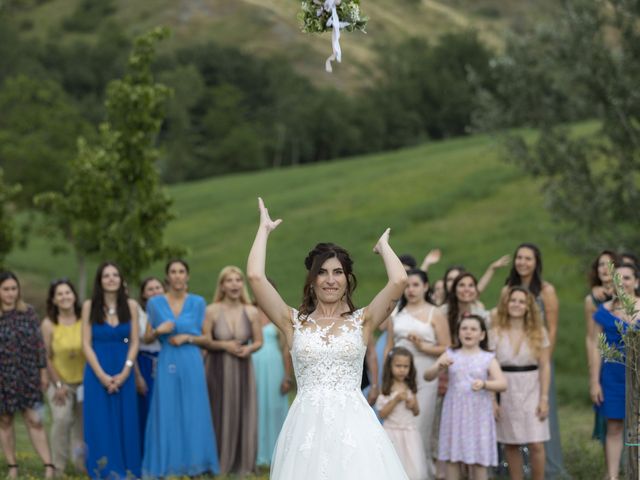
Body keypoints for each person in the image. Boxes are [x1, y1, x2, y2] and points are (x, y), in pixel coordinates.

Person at [247, 198, 409, 479]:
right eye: (321, 272)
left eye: (337, 272)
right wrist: (263, 230)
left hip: (354, 429)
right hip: (305, 430)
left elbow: (399, 282)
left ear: (348, 279)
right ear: (312, 280)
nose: (330, 280)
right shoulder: (293, 323)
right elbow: (255, 276)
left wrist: (384, 248)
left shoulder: (364, 320)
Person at [142, 259, 219, 478]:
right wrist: (158, 330)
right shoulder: (155, 303)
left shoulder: (198, 302)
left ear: (187, 276)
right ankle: (169, 464)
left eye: (181, 271)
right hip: (167, 359)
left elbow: (207, 338)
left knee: (194, 410)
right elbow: (145, 337)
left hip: (191, 359)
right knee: (167, 409)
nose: (177, 275)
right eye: (173, 272)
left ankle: (196, 464)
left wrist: (188, 337)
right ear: (167, 277)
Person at [503, 243, 565, 479]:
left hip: (537, 361)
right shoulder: (508, 288)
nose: (522, 262)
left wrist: (544, 361)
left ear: (536, 262)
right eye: (519, 257)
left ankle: (546, 467)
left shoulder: (546, 290)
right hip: (511, 363)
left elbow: (553, 326)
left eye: (528, 258)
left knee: (539, 417)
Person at [384, 268, 451, 476]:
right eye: (408, 286)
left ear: (425, 286)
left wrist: (424, 347)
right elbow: (390, 345)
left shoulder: (435, 313)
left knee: (419, 426)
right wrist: (385, 374)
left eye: (415, 285)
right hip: (397, 374)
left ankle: (421, 473)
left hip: (424, 373)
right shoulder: (398, 314)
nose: (411, 290)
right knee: (396, 426)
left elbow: (448, 347)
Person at [424, 314, 507, 480]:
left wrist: (485, 384)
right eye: (464, 328)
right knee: (453, 459)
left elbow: (502, 384)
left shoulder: (487, 357)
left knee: (478, 460)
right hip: (455, 411)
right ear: (458, 332)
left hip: (479, 413)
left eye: (473, 329)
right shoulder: (450, 354)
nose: (468, 332)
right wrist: (439, 366)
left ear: (482, 335)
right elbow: (427, 376)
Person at [82, 262, 140, 479]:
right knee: (100, 421)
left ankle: (128, 469)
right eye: (106, 275)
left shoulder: (131, 306)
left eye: (115, 274)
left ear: (121, 279)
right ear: (99, 280)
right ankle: (102, 469)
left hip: (123, 369)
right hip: (97, 370)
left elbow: (134, 341)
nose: (111, 279)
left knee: (126, 420)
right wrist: (102, 376)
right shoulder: (89, 306)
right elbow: (86, 344)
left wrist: (126, 372)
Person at [204, 266, 263, 475]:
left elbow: (258, 341)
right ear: (222, 285)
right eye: (229, 280)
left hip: (243, 367)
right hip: (216, 368)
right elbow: (205, 341)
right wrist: (224, 346)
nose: (234, 284)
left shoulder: (251, 311)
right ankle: (218, 461)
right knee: (217, 411)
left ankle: (243, 464)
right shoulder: (211, 310)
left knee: (243, 410)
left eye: (238, 280)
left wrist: (248, 348)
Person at [490, 287, 550, 480]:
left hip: (531, 387)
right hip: (505, 388)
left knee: (536, 442)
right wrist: (493, 400)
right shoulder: (495, 332)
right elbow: (488, 367)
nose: (516, 304)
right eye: (513, 300)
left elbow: (545, 366)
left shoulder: (538, 332)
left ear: (528, 307)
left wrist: (544, 398)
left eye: (521, 301)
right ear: (506, 304)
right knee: (511, 442)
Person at [0, 271, 55, 479]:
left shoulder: (28, 312)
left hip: (28, 375)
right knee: (5, 421)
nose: (10, 293)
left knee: (35, 419)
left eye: (14, 289)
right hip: (3, 377)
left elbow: (39, 346)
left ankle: (48, 465)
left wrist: (43, 372)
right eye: (6, 289)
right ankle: (12, 466)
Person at [589, 263, 640, 480]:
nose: (623, 283)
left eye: (627, 278)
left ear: (636, 281)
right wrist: (594, 382)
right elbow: (594, 346)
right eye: (618, 278)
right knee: (614, 426)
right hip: (612, 377)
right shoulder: (603, 311)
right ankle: (612, 476)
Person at [41, 279, 85, 474]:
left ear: (74, 296)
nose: (65, 297)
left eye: (68, 292)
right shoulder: (49, 324)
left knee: (82, 427)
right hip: (59, 381)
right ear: (54, 299)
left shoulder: (85, 319)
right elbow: (45, 357)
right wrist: (58, 384)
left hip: (84, 382)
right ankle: (57, 469)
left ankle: (81, 466)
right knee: (62, 420)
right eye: (60, 294)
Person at [376, 346, 428, 480]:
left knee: (412, 468)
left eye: (406, 366)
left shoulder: (410, 386)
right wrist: (396, 399)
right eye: (398, 366)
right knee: (393, 465)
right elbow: (382, 414)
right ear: (390, 366)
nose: (402, 370)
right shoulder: (387, 388)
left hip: (409, 433)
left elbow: (416, 412)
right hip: (391, 433)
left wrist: (412, 405)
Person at [252, 298, 293, 466]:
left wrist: (287, 376)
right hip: (252, 366)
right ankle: (255, 454)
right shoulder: (248, 311)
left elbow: (286, 349)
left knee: (274, 407)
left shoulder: (278, 315)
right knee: (254, 408)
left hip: (274, 367)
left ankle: (275, 453)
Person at [584, 251, 618, 445]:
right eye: (600, 265)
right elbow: (591, 338)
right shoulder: (592, 300)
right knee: (607, 414)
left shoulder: (629, 295)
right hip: (604, 358)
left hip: (626, 356)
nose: (605, 269)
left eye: (609, 264)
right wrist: (592, 369)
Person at [135, 276, 164, 448]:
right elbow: (130, 340)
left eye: (158, 287)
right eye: (150, 289)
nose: (155, 291)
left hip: (166, 361)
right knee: (147, 407)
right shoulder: (139, 314)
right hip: (144, 361)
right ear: (144, 294)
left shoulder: (171, 311)